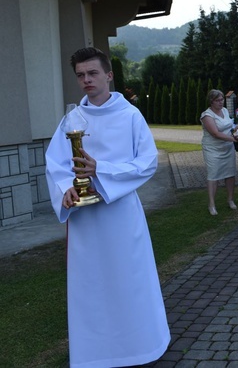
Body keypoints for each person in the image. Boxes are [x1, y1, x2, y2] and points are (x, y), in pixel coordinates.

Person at [45, 47, 169, 367]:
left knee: (129, 280)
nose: (86, 80)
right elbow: (55, 164)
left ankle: (142, 345)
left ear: (109, 75)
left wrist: (101, 171)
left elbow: (146, 162)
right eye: (80, 75)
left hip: (120, 214)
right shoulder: (72, 119)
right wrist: (67, 189)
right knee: (91, 288)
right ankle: (96, 354)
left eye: (92, 73)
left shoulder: (130, 116)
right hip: (86, 221)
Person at [200, 89, 238, 215]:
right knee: (213, 175)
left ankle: (230, 199)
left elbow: (230, 126)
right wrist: (235, 139)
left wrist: (237, 130)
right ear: (211, 101)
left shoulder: (225, 111)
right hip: (213, 149)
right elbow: (215, 133)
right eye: (217, 100)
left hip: (227, 147)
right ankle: (211, 204)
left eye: (222, 99)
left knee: (230, 173)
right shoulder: (207, 115)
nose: (221, 102)